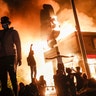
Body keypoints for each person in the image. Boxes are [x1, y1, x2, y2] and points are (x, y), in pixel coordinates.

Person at [0, 16, 22, 96]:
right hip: (1, 58)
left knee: (13, 78)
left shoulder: (13, 32)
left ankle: (16, 94)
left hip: (11, 57)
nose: (4, 25)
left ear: (8, 23)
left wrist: (19, 58)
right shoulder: (0, 33)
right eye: (2, 23)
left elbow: (18, 45)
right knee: (3, 79)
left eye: (5, 23)